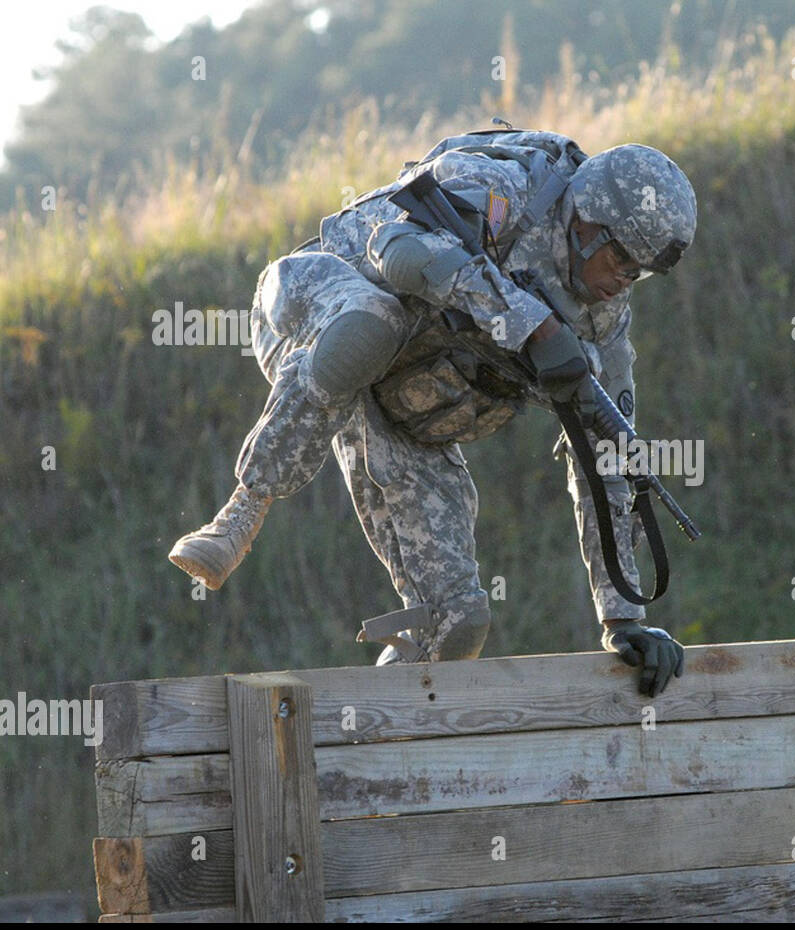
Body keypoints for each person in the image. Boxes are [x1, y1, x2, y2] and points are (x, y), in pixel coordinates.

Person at [167, 129, 695, 697]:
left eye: (638, 273)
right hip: (318, 302)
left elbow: (605, 466)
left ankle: (381, 743)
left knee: (457, 619)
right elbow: (401, 253)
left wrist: (623, 619)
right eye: (620, 259)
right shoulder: (506, 189)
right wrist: (530, 324)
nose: (623, 281)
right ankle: (242, 512)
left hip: (405, 395)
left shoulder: (603, 324)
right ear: (587, 224)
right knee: (371, 324)